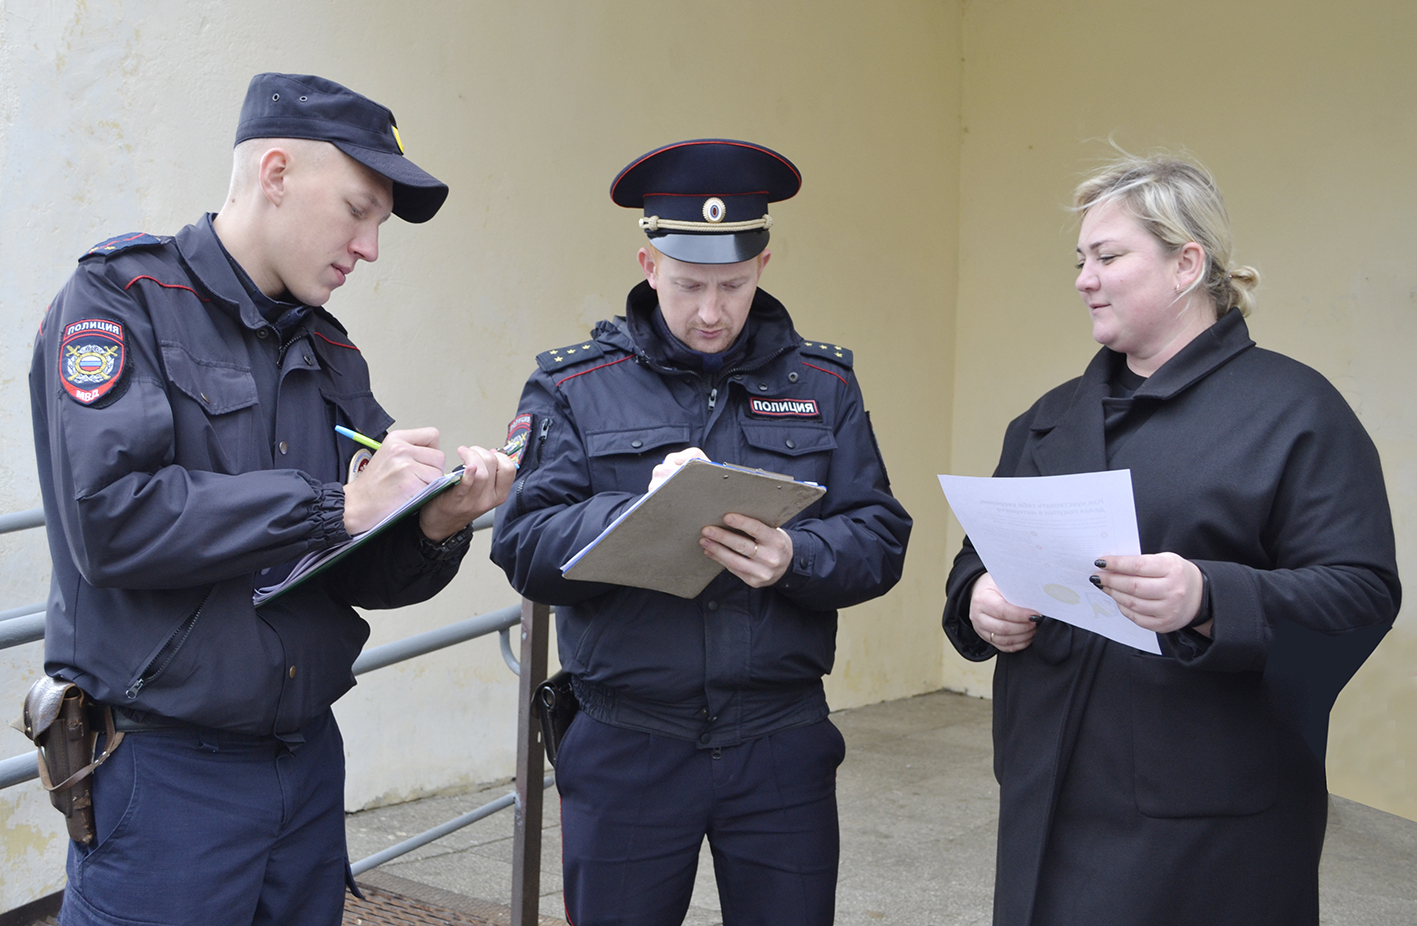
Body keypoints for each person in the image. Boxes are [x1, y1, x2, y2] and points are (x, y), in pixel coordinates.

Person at [29, 73, 515, 926]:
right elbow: (109, 522)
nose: (369, 247)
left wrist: (435, 522)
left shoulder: (330, 350)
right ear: (277, 172)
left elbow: (365, 568)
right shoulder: (121, 300)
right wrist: (336, 508)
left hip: (304, 767)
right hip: (164, 771)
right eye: (359, 210)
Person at [942, 151, 1400, 926]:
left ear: (1187, 264)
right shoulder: (1049, 417)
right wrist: (978, 601)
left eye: (1107, 256)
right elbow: (976, 559)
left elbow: (1361, 594)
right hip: (1045, 789)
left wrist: (1210, 596)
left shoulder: (1294, 412)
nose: (1082, 278)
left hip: (1207, 822)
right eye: (1079, 259)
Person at [490, 138, 912, 926]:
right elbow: (522, 545)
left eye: (733, 284)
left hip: (779, 739)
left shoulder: (821, 385)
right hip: (628, 743)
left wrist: (797, 555)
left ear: (763, 265)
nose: (711, 311)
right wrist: (629, 513)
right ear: (649, 267)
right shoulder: (574, 386)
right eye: (688, 284)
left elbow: (879, 536)